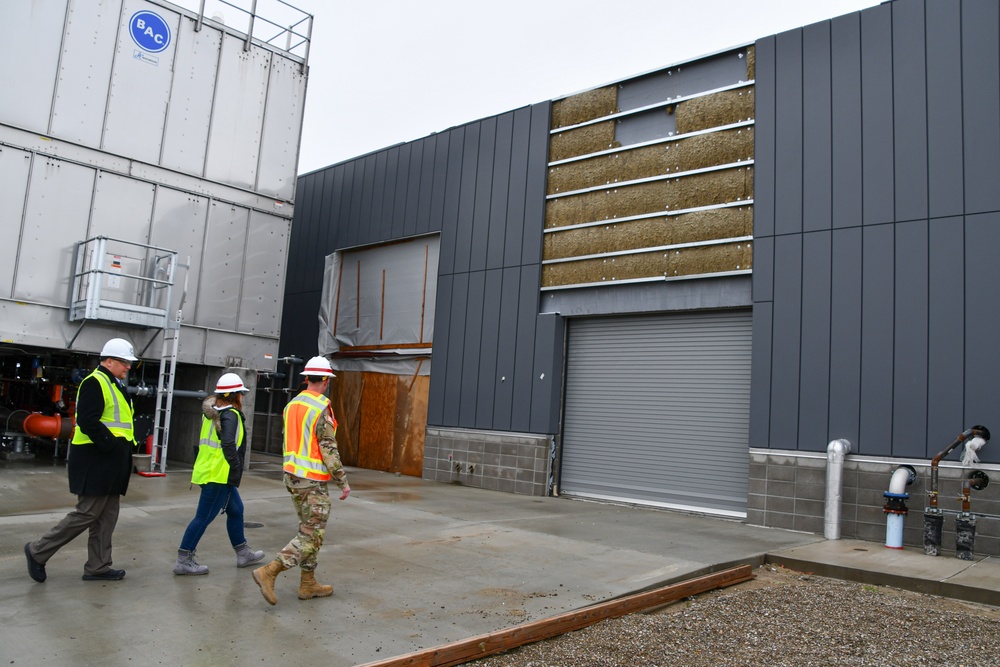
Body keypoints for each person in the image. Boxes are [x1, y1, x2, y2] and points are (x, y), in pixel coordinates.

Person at [24, 337, 139, 582]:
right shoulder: (94, 382)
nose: (128, 367)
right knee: (87, 513)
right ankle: (37, 550)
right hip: (95, 461)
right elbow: (87, 420)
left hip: (112, 463)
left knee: (107, 515)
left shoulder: (116, 384)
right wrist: (109, 445)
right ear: (109, 361)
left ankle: (98, 566)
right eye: (125, 362)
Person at [252, 355, 350, 605]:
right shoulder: (321, 407)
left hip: (292, 477)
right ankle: (270, 571)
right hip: (312, 481)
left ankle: (308, 584)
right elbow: (328, 449)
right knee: (311, 535)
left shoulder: (292, 405)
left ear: (306, 378)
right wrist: (343, 481)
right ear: (326, 381)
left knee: (307, 529)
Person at [173, 372, 265, 575]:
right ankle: (184, 559)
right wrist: (235, 466)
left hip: (210, 472)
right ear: (234, 395)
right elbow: (228, 443)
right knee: (203, 517)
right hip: (218, 475)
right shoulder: (230, 414)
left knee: (236, 510)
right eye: (241, 393)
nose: (242, 397)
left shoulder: (212, 412)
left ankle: (243, 553)